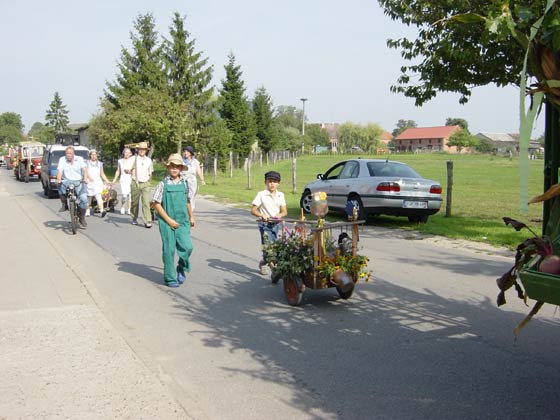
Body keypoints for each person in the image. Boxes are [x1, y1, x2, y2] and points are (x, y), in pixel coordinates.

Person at [151, 153, 195, 288]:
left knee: (187, 247)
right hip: (166, 222)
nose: (174, 169)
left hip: (183, 221)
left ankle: (181, 267)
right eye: (172, 167)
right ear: (168, 168)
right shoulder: (162, 184)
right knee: (169, 251)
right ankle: (170, 278)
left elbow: (188, 201)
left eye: (177, 167)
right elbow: (156, 204)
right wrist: (169, 220)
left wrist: (191, 216)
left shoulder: (185, 183)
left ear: (181, 168)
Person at [250, 170, 287, 275]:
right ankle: (274, 270)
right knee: (268, 246)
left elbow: (284, 211)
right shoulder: (261, 194)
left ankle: (263, 262)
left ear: (278, 183)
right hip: (264, 224)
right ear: (265, 182)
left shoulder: (281, 195)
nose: (272, 184)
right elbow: (253, 210)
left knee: (273, 246)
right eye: (270, 181)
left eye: (275, 181)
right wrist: (262, 215)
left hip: (275, 224)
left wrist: (279, 215)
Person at [56, 146, 89, 228]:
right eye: (67, 153)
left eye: (70, 153)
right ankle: (64, 204)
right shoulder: (62, 159)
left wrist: (85, 179)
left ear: (74, 153)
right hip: (67, 180)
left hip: (78, 181)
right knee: (59, 186)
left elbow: (84, 170)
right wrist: (58, 179)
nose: (68, 155)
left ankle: (82, 218)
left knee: (84, 199)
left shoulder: (79, 159)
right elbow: (60, 171)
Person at [130, 142, 154, 228]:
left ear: (146, 151)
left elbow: (150, 172)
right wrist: (128, 170)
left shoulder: (148, 160)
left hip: (145, 183)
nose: (142, 151)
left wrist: (149, 182)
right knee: (134, 202)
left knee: (146, 202)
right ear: (138, 150)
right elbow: (127, 169)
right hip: (135, 182)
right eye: (140, 149)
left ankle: (147, 220)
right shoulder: (133, 158)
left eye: (144, 149)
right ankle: (133, 217)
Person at [85, 150, 111, 217]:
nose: (93, 156)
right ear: (90, 155)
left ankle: (102, 210)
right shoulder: (86, 163)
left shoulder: (100, 164)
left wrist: (107, 181)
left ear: (97, 155)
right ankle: (87, 211)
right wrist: (89, 177)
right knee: (89, 197)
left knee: (98, 196)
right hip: (89, 181)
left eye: (95, 154)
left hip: (97, 182)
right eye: (92, 154)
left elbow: (102, 174)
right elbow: (85, 172)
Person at [181, 145, 205, 210]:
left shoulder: (195, 162)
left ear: (190, 153)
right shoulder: (181, 161)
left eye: (187, 152)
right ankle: (183, 210)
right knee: (182, 196)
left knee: (191, 196)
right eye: (185, 151)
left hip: (192, 181)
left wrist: (202, 180)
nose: (185, 153)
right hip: (182, 180)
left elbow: (199, 171)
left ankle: (190, 211)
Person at [112, 147, 133, 215]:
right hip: (123, 179)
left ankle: (129, 209)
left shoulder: (133, 160)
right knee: (124, 195)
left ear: (130, 154)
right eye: (125, 152)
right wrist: (114, 180)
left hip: (131, 179)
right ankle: (123, 206)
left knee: (130, 195)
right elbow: (118, 171)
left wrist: (131, 171)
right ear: (123, 153)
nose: (127, 154)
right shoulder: (120, 161)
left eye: (128, 153)